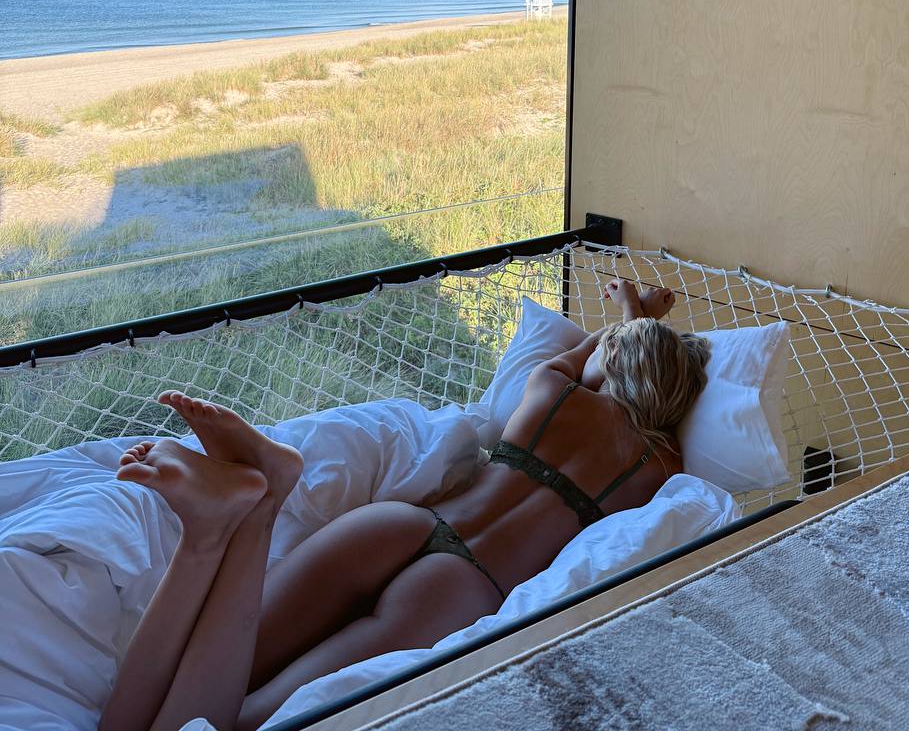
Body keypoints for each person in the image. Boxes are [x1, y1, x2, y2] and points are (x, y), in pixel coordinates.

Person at [99, 280, 710, 731]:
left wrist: (633, 316)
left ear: (617, 355)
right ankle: (247, 509)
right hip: (464, 586)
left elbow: (592, 351)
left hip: (400, 526)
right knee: (249, 720)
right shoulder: (661, 464)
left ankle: (253, 502)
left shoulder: (555, 391)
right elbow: (626, 367)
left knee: (225, 649)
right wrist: (645, 336)